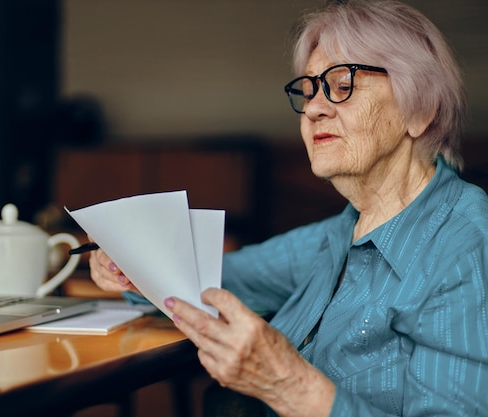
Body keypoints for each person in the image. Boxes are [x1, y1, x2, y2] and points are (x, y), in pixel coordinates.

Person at [87, 0, 488, 415]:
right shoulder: (344, 230)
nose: (314, 107)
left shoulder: (466, 249)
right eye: (310, 88)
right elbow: (217, 279)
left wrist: (290, 386)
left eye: (341, 83)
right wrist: (130, 261)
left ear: (419, 110)